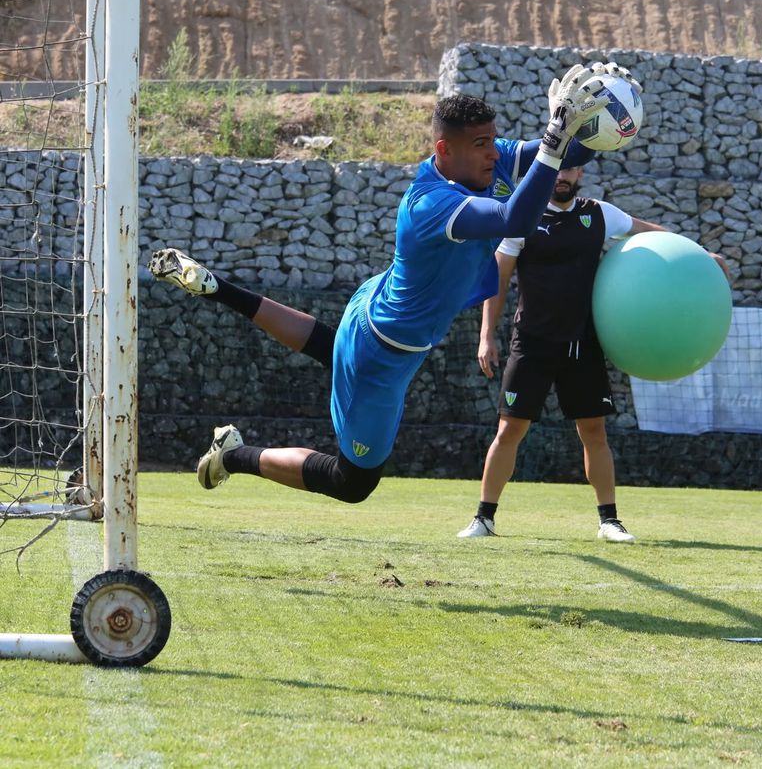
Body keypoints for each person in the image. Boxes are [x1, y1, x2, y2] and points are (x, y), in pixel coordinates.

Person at [149, 62, 639, 505]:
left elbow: (562, 154)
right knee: (352, 482)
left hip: (380, 313)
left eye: (493, 140)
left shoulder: (483, 162)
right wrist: (555, 138)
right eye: (481, 144)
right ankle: (235, 455)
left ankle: (218, 288)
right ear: (444, 148)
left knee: (330, 344)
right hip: (384, 350)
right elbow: (516, 217)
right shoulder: (431, 204)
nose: (495, 153)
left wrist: (591, 116)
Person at [458, 163, 730, 541]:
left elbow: (650, 233)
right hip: (532, 344)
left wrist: (699, 255)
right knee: (509, 430)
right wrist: (487, 336)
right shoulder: (522, 216)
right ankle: (483, 519)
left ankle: (609, 522)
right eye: (557, 168)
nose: (563, 177)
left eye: (570, 169)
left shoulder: (598, 213)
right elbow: (498, 279)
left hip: (582, 344)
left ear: (580, 173)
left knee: (594, 432)